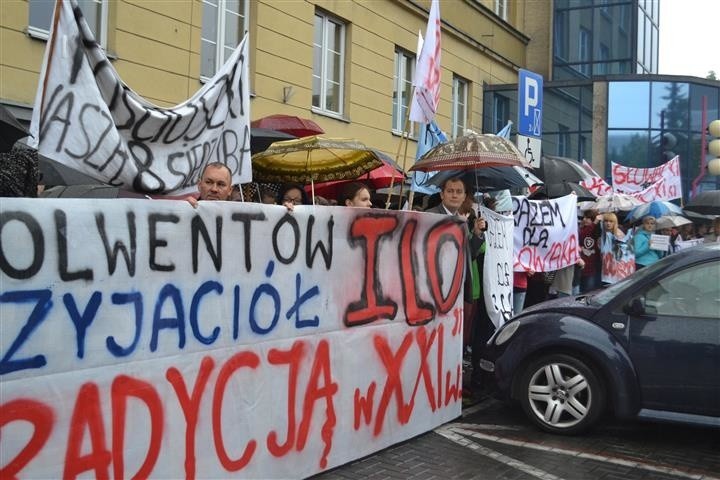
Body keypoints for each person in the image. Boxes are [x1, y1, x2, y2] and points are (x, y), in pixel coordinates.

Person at [579, 209, 602, 293]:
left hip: (593, 268)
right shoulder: (583, 230)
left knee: (589, 292)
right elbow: (583, 235)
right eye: (584, 217)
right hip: (581, 266)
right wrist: (594, 223)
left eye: (588, 217)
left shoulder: (598, 231)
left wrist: (595, 224)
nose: (584, 219)